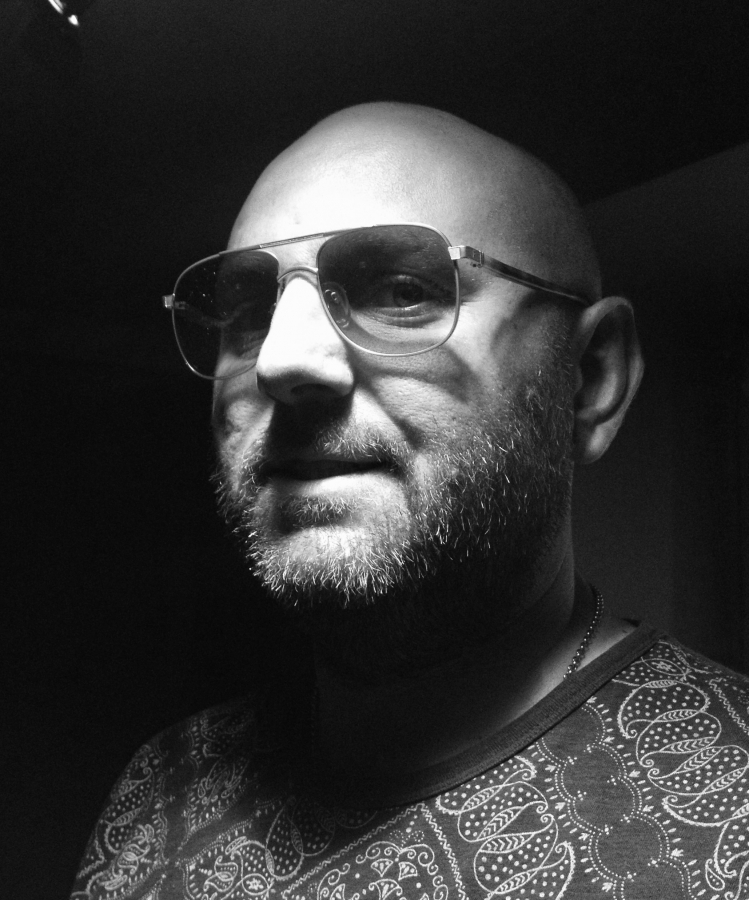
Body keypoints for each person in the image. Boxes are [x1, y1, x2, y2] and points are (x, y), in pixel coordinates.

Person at [71, 103, 749, 900]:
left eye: (400, 290)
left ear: (588, 381)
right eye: (249, 313)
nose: (281, 361)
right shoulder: (160, 790)